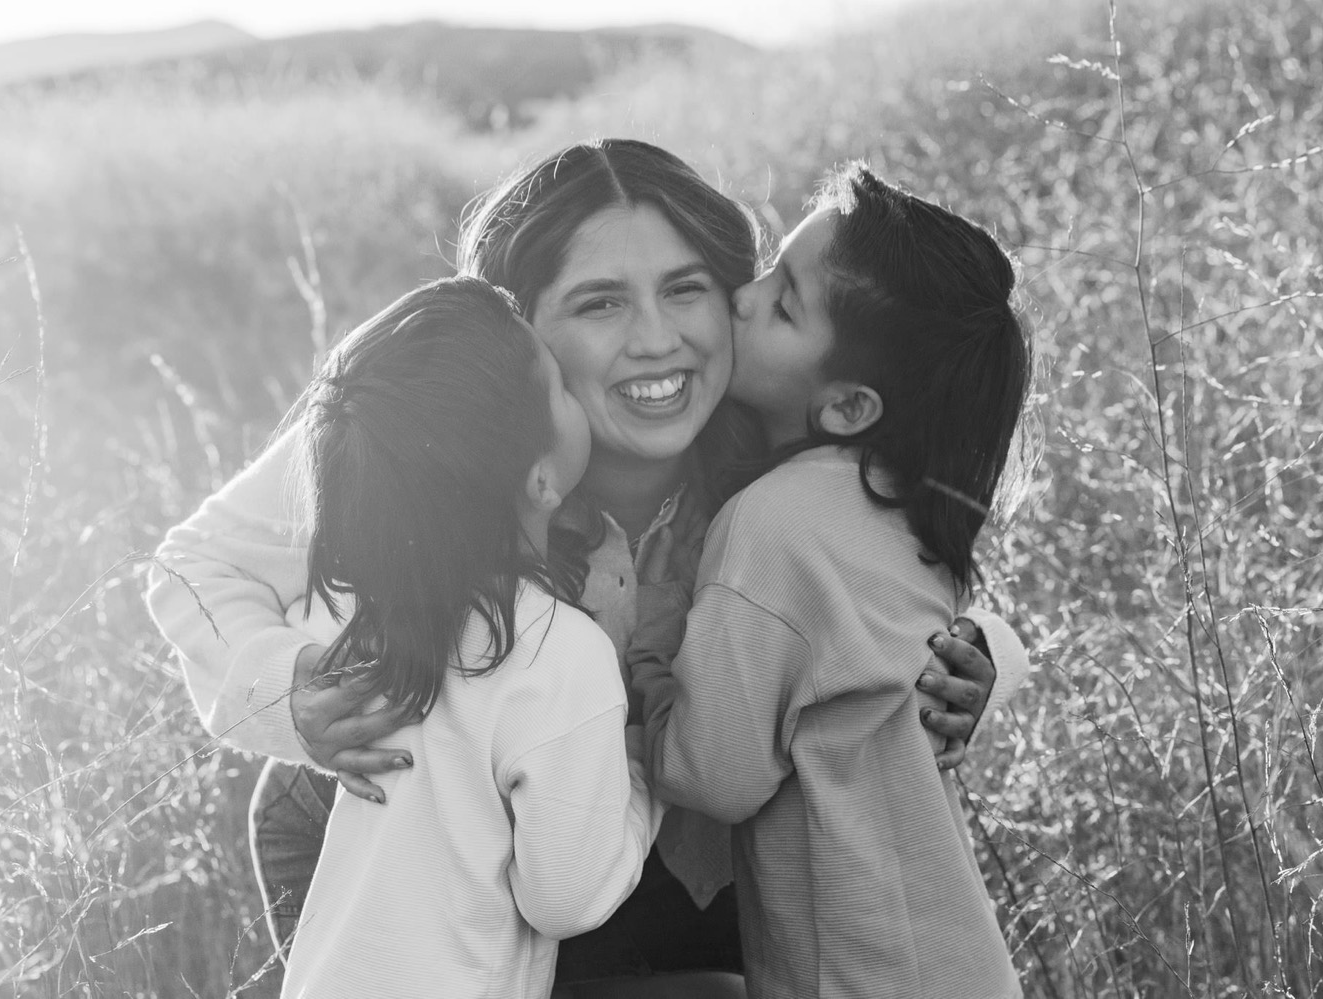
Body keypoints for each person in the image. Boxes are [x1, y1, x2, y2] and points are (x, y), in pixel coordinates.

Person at [146, 139, 1027, 996]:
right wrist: (288, 694)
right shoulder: (428, 433)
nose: (658, 340)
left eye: (687, 290)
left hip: (677, 873)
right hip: (434, 871)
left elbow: (917, 573)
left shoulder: (781, 449)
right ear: (514, 326)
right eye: (601, 303)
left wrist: (977, 655)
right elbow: (197, 564)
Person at [629, 165, 1030, 998]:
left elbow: (716, 774)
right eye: (772, 264)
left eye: (782, 303)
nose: (744, 295)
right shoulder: (901, 508)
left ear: (848, 406)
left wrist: (642, 662)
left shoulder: (773, 522)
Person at [274, 276, 659, 997]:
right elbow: (566, 899)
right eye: (562, 391)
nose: (575, 390)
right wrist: (641, 775)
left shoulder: (375, 627)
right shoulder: (563, 653)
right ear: (541, 481)